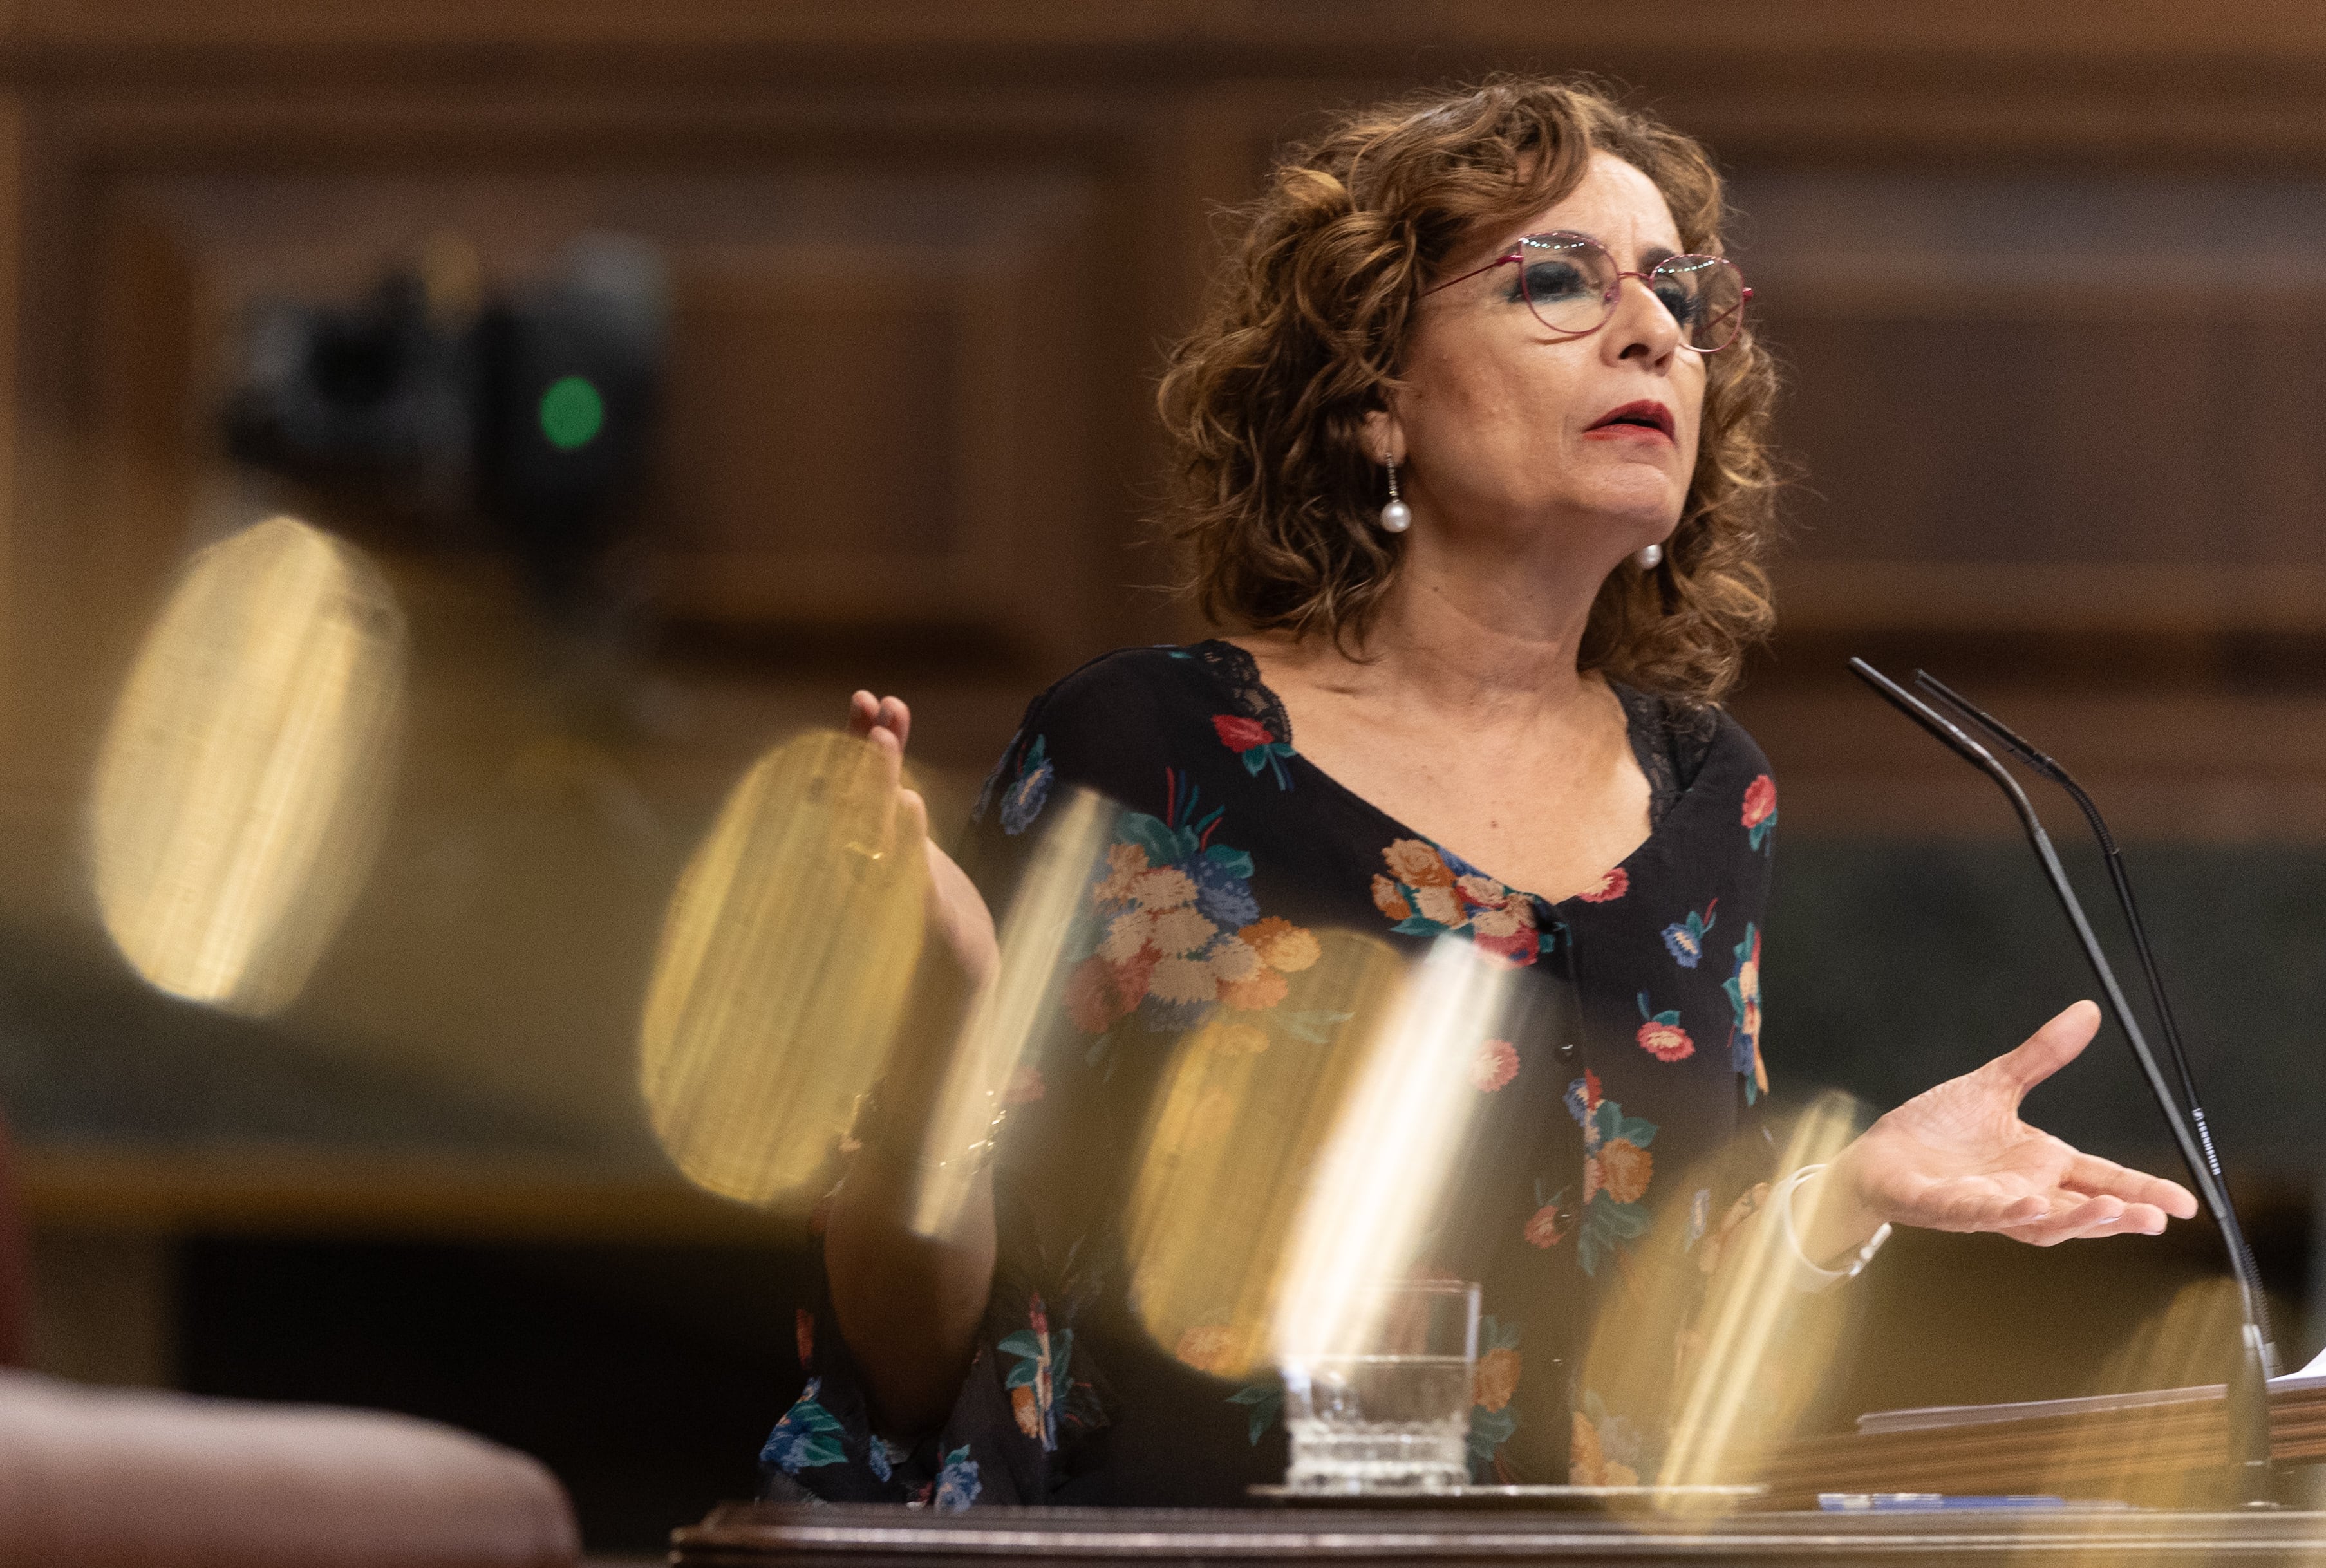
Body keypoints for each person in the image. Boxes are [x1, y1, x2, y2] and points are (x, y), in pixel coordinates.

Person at [758, 76, 2199, 1507]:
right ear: (1375, 398)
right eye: (1558, 281)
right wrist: (941, 1009)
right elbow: (917, 1353)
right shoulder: (1141, 755)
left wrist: (1848, 1198)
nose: (1653, 330)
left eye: (1680, 299)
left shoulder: (1706, 794)